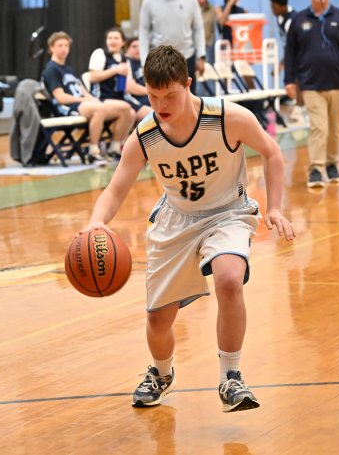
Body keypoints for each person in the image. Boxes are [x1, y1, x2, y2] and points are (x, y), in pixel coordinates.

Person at [79, 45, 295, 413]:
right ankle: (161, 374)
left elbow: (272, 152)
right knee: (158, 318)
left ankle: (231, 377)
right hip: (176, 220)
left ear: (188, 84)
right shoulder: (146, 134)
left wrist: (274, 207)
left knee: (229, 278)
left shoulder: (228, 118)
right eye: (152, 96)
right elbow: (116, 188)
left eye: (170, 95)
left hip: (228, 212)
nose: (161, 104)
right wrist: (96, 222)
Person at [284, 0, 339, 188]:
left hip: (337, 83)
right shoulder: (299, 20)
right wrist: (289, 80)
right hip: (310, 84)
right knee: (320, 127)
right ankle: (316, 169)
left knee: (335, 128)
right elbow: (290, 52)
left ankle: (331, 164)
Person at [41, 31, 134, 165]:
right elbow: (60, 97)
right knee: (99, 109)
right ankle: (93, 152)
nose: (64, 49)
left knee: (126, 109)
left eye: (66, 46)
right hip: (66, 107)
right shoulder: (51, 70)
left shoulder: (69, 69)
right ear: (51, 48)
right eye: (60, 45)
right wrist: (85, 101)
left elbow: (82, 91)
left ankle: (114, 148)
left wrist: (91, 99)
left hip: (83, 104)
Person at [139, 0, 205, 94]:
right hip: (160, 60)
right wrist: (143, 61)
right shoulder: (149, 0)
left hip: (187, 57)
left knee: (189, 97)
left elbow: (198, 28)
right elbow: (144, 31)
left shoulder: (190, 0)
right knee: (164, 96)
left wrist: (201, 56)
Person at [88, 27, 153, 128]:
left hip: (121, 98)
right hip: (102, 98)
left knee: (152, 115)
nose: (112, 41)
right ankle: (120, 143)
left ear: (123, 42)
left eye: (116, 38)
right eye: (110, 38)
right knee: (133, 113)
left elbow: (125, 87)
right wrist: (115, 70)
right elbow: (93, 77)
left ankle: (122, 143)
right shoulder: (100, 53)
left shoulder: (124, 59)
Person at [269, 0, 305, 124]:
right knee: (294, 81)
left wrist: (281, 64)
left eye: (275, 7)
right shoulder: (280, 17)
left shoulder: (292, 20)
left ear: (283, 7)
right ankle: (299, 106)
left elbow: (293, 45)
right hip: (290, 52)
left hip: (300, 52)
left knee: (298, 80)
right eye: (272, 7)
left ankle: (300, 108)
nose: (273, 10)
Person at [123, 36, 149, 107]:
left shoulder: (144, 62)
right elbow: (130, 87)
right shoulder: (126, 61)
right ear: (127, 49)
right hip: (136, 98)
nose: (138, 49)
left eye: (140, 46)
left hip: (147, 95)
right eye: (134, 46)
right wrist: (152, 92)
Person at [194, 0, 216, 65]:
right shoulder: (192, 9)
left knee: (208, 70)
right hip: (194, 47)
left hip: (208, 46)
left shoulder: (213, 9)